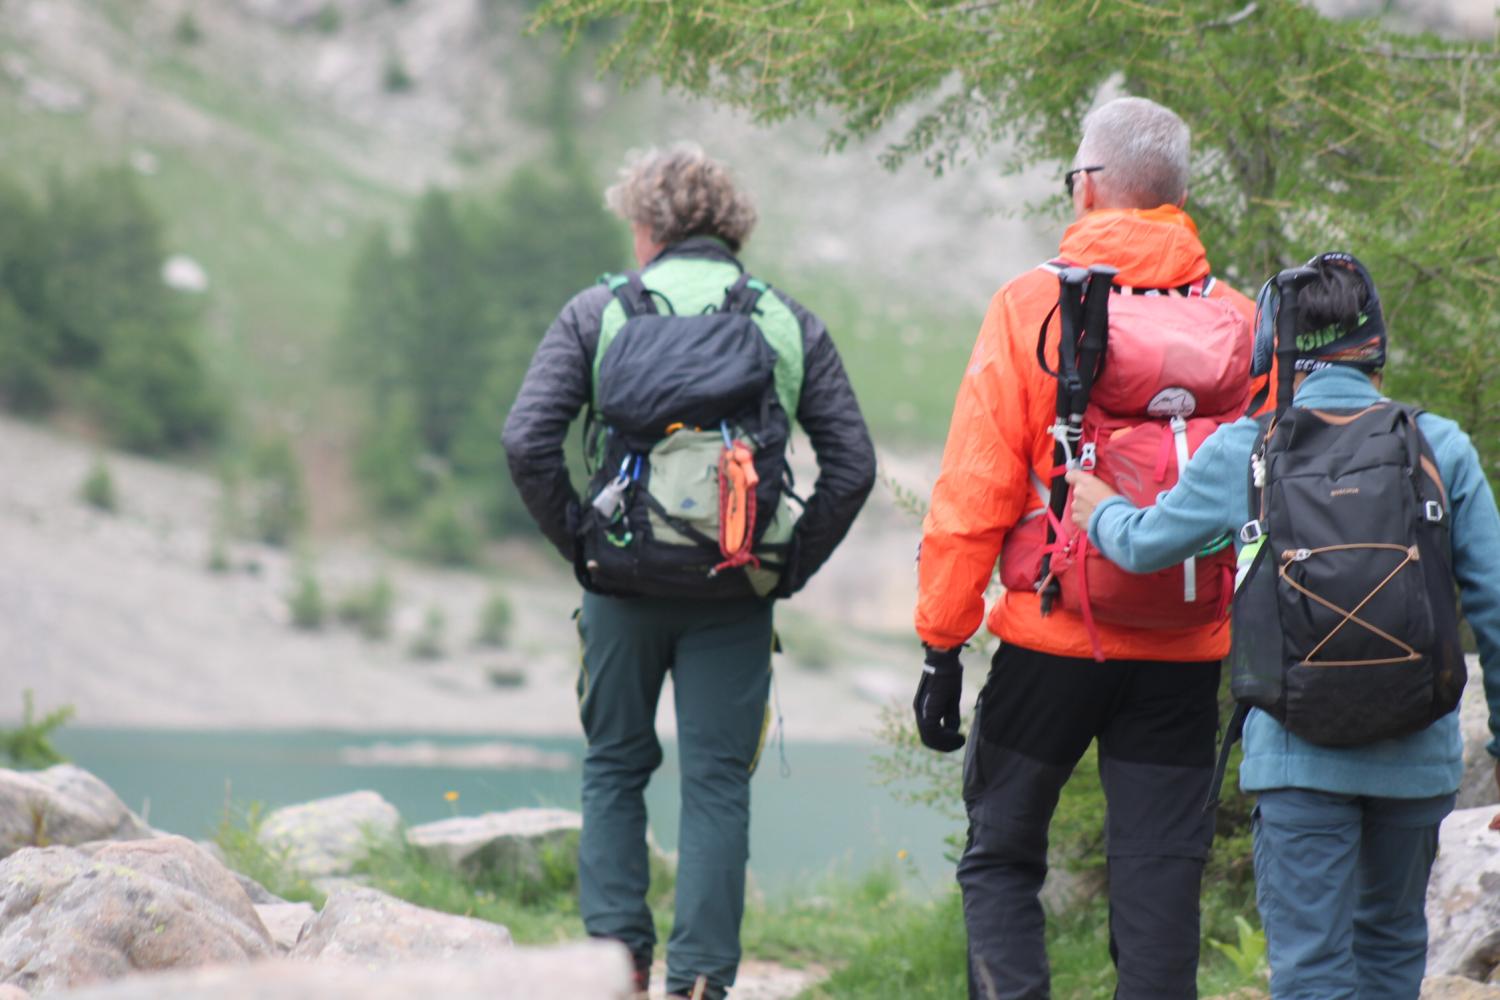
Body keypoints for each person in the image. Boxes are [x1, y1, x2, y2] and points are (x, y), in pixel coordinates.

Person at [1068, 253, 1500, 999]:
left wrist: (1097, 505)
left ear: (1275, 344)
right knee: (1394, 948)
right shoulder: (1442, 448)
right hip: (1416, 758)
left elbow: (1143, 545)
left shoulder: (1248, 449)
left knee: (1309, 969)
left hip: (1299, 760)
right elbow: (1493, 603)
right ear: (1376, 344)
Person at [502, 144, 876, 1000]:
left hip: (622, 586)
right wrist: (783, 569)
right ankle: (702, 980)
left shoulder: (599, 311)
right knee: (714, 783)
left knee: (614, 766)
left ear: (645, 227)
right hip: (734, 590)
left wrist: (584, 546)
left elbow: (526, 441)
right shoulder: (784, 320)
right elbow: (851, 466)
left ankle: (615, 967)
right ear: (731, 226)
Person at [913, 96, 1260, 999]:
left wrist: (942, 643)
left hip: (1051, 638)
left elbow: (975, 491)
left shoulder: (1034, 306)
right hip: (1186, 646)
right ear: (1176, 198)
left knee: (1001, 856)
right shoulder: (1235, 319)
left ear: (1090, 186)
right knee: (1158, 875)